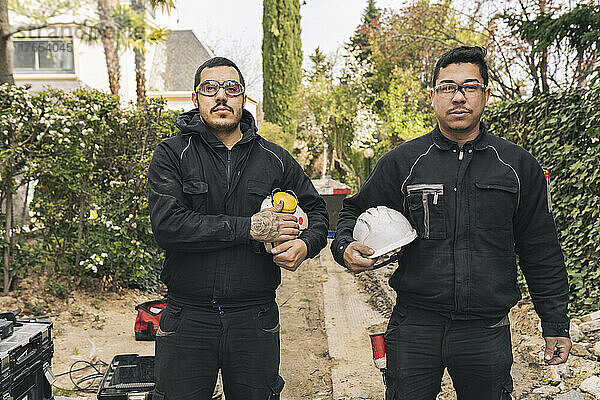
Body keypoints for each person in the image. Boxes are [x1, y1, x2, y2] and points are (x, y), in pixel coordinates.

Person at [331, 46, 571, 400]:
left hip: (485, 332)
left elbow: (542, 249)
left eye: (469, 87)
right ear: (432, 97)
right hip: (415, 328)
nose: (458, 97)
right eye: (447, 87)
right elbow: (352, 212)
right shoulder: (403, 162)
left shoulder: (518, 167)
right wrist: (345, 247)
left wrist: (555, 323)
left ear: (486, 95)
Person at [148, 57, 329, 400]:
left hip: (254, 317)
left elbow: (318, 211)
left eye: (231, 89)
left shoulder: (275, 158)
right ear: (195, 97)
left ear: (243, 99)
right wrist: (249, 228)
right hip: (188, 316)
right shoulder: (172, 154)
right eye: (210, 88)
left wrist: (305, 245)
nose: (221, 96)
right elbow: (168, 226)